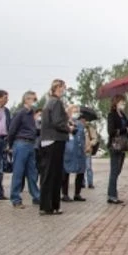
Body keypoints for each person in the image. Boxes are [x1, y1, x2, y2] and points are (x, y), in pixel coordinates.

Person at [39, 79, 71, 215]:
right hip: (56, 139)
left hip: (47, 140)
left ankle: (47, 205)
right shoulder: (56, 102)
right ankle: (51, 205)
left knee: (48, 174)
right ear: (58, 87)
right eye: (63, 87)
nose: (64, 90)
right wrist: (69, 128)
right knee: (55, 175)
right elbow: (57, 122)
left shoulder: (48, 102)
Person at [7, 91, 41, 209]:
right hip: (21, 143)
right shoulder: (20, 113)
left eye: (34, 99)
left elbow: (34, 130)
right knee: (18, 172)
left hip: (31, 144)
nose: (33, 101)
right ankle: (16, 199)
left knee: (32, 172)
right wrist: (11, 145)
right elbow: (12, 129)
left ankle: (37, 197)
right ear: (26, 100)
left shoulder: (32, 114)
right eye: (32, 99)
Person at [106, 94, 128, 205]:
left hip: (123, 145)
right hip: (115, 145)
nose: (123, 104)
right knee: (114, 170)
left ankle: (112, 193)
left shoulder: (122, 115)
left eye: (124, 102)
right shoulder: (111, 115)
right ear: (116, 102)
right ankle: (112, 195)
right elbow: (111, 131)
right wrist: (123, 129)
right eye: (122, 102)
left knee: (118, 170)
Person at [62, 112, 87, 202]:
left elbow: (83, 137)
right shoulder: (64, 122)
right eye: (73, 110)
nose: (75, 112)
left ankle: (77, 193)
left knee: (81, 171)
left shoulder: (80, 124)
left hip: (79, 150)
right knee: (66, 172)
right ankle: (65, 194)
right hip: (68, 150)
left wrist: (84, 147)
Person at [84, 120, 98, 189]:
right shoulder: (77, 128)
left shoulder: (90, 129)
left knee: (88, 167)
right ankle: (82, 183)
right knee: (81, 168)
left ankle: (90, 183)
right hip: (80, 152)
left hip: (87, 151)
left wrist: (90, 144)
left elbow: (95, 139)